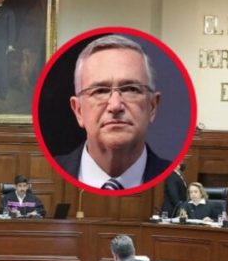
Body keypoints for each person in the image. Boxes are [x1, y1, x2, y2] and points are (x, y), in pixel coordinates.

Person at [55, 35, 171, 190]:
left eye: (130, 89)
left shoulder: (175, 184)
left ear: (152, 106)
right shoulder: (47, 176)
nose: (115, 106)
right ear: (78, 110)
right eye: (100, 91)